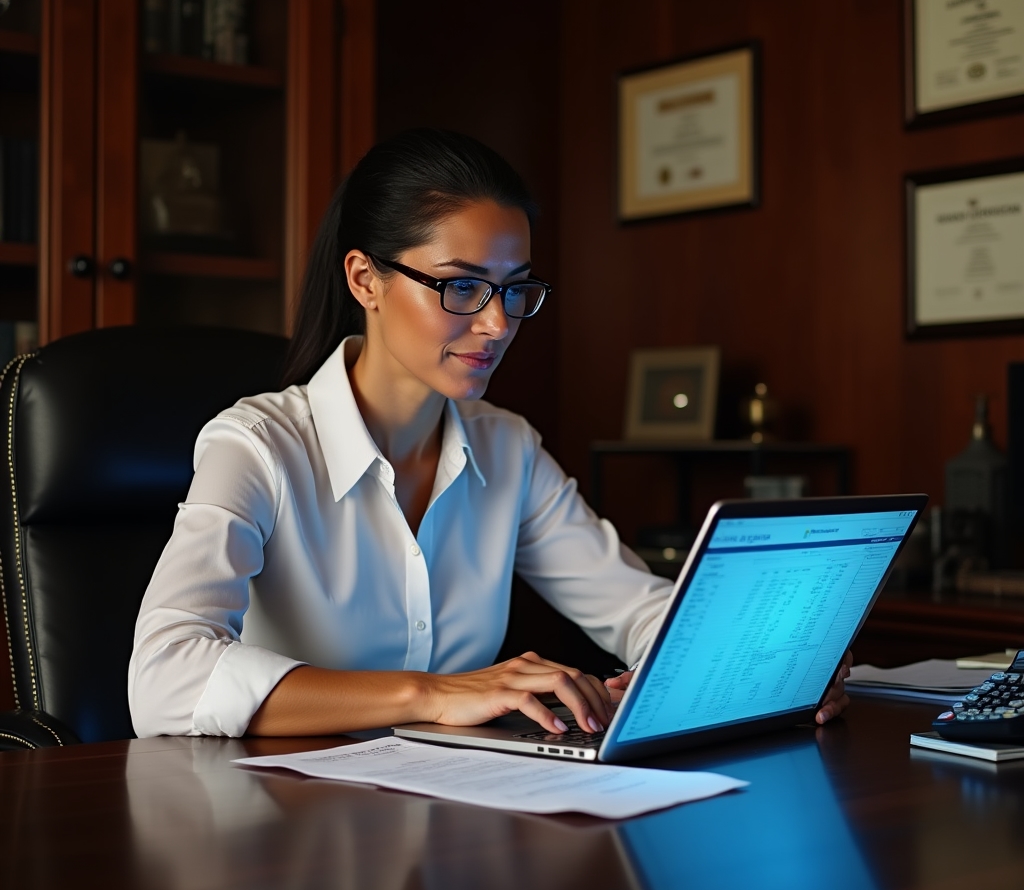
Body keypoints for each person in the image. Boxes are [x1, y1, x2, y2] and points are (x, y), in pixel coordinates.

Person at [128, 128, 851, 739]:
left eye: (514, 289)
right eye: (462, 286)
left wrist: (775, 656)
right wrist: (432, 693)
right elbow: (164, 676)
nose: (498, 324)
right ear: (365, 280)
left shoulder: (505, 447)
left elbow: (634, 605)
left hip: (455, 818)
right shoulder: (257, 447)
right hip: (278, 824)